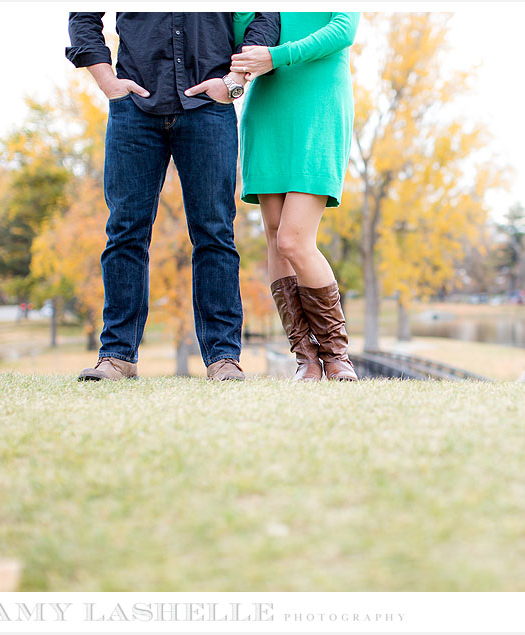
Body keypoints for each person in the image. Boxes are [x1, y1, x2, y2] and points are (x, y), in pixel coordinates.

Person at [65, 12, 280, 381]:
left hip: (210, 108)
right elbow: (82, 16)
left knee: (214, 234)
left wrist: (233, 81)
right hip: (134, 109)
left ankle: (223, 357)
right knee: (125, 232)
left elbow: (265, 16)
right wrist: (108, 82)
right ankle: (117, 355)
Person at [231, 12, 360, 381]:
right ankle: (306, 359)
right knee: (275, 237)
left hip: (318, 106)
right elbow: (243, 39)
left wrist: (276, 56)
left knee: (294, 239)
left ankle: (336, 355)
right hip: (268, 108)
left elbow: (342, 30)